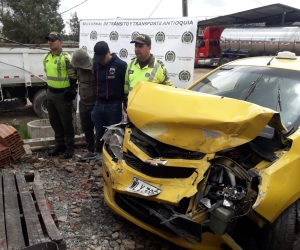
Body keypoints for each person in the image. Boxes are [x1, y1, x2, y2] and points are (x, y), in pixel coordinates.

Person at [43, 32, 77, 159]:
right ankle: (60, 144)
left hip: (62, 95)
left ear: (60, 42)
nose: (50, 42)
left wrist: (71, 90)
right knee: (54, 121)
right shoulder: (46, 58)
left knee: (66, 122)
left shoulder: (66, 58)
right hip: (50, 93)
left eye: (53, 40)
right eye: (49, 40)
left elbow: (73, 76)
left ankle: (70, 147)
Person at [91, 41, 127, 154]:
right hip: (99, 103)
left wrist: (124, 101)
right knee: (99, 131)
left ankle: (112, 155)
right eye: (98, 58)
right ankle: (99, 153)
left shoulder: (120, 65)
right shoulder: (96, 64)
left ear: (109, 52)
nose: (101, 61)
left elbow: (126, 85)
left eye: (103, 58)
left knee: (113, 133)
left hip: (114, 105)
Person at [71, 49, 101, 160]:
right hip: (83, 103)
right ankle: (90, 150)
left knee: (99, 129)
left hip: (95, 104)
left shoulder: (95, 67)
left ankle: (99, 151)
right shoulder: (77, 68)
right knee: (87, 129)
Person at [124, 33, 172, 102]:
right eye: (136, 46)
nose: (137, 49)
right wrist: (125, 100)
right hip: (132, 108)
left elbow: (169, 89)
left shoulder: (159, 66)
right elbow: (126, 84)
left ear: (149, 48)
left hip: (148, 110)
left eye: (140, 46)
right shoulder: (130, 64)